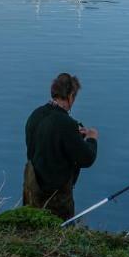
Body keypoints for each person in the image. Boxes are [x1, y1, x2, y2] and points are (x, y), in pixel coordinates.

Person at [23, 72, 98, 220]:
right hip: (55, 198)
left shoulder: (35, 115)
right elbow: (87, 159)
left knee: (31, 228)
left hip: (31, 189)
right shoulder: (66, 124)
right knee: (60, 234)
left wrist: (74, 135)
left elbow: (46, 142)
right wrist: (91, 138)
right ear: (70, 96)